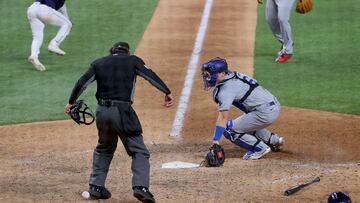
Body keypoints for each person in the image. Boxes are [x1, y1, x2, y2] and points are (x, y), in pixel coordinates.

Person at [64, 42, 174, 202]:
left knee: (104, 147)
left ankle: (95, 187)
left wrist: (71, 102)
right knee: (139, 150)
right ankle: (141, 187)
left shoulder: (99, 63)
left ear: (112, 52)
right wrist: (167, 92)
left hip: (102, 112)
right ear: (127, 52)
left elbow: (82, 82)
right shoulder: (133, 61)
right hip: (122, 112)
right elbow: (151, 76)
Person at [201, 57, 284, 160]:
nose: (208, 77)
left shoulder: (225, 90)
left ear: (222, 73)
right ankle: (274, 141)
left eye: (212, 74)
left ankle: (260, 149)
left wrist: (215, 141)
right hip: (272, 104)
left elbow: (223, 117)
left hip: (264, 113)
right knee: (244, 124)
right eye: (207, 74)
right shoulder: (233, 74)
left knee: (229, 130)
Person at [27, 0, 72, 71]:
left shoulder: (61, 3)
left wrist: (66, 18)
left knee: (37, 37)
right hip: (43, 10)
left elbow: (62, 6)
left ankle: (34, 56)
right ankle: (54, 44)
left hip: (32, 10)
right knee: (68, 24)